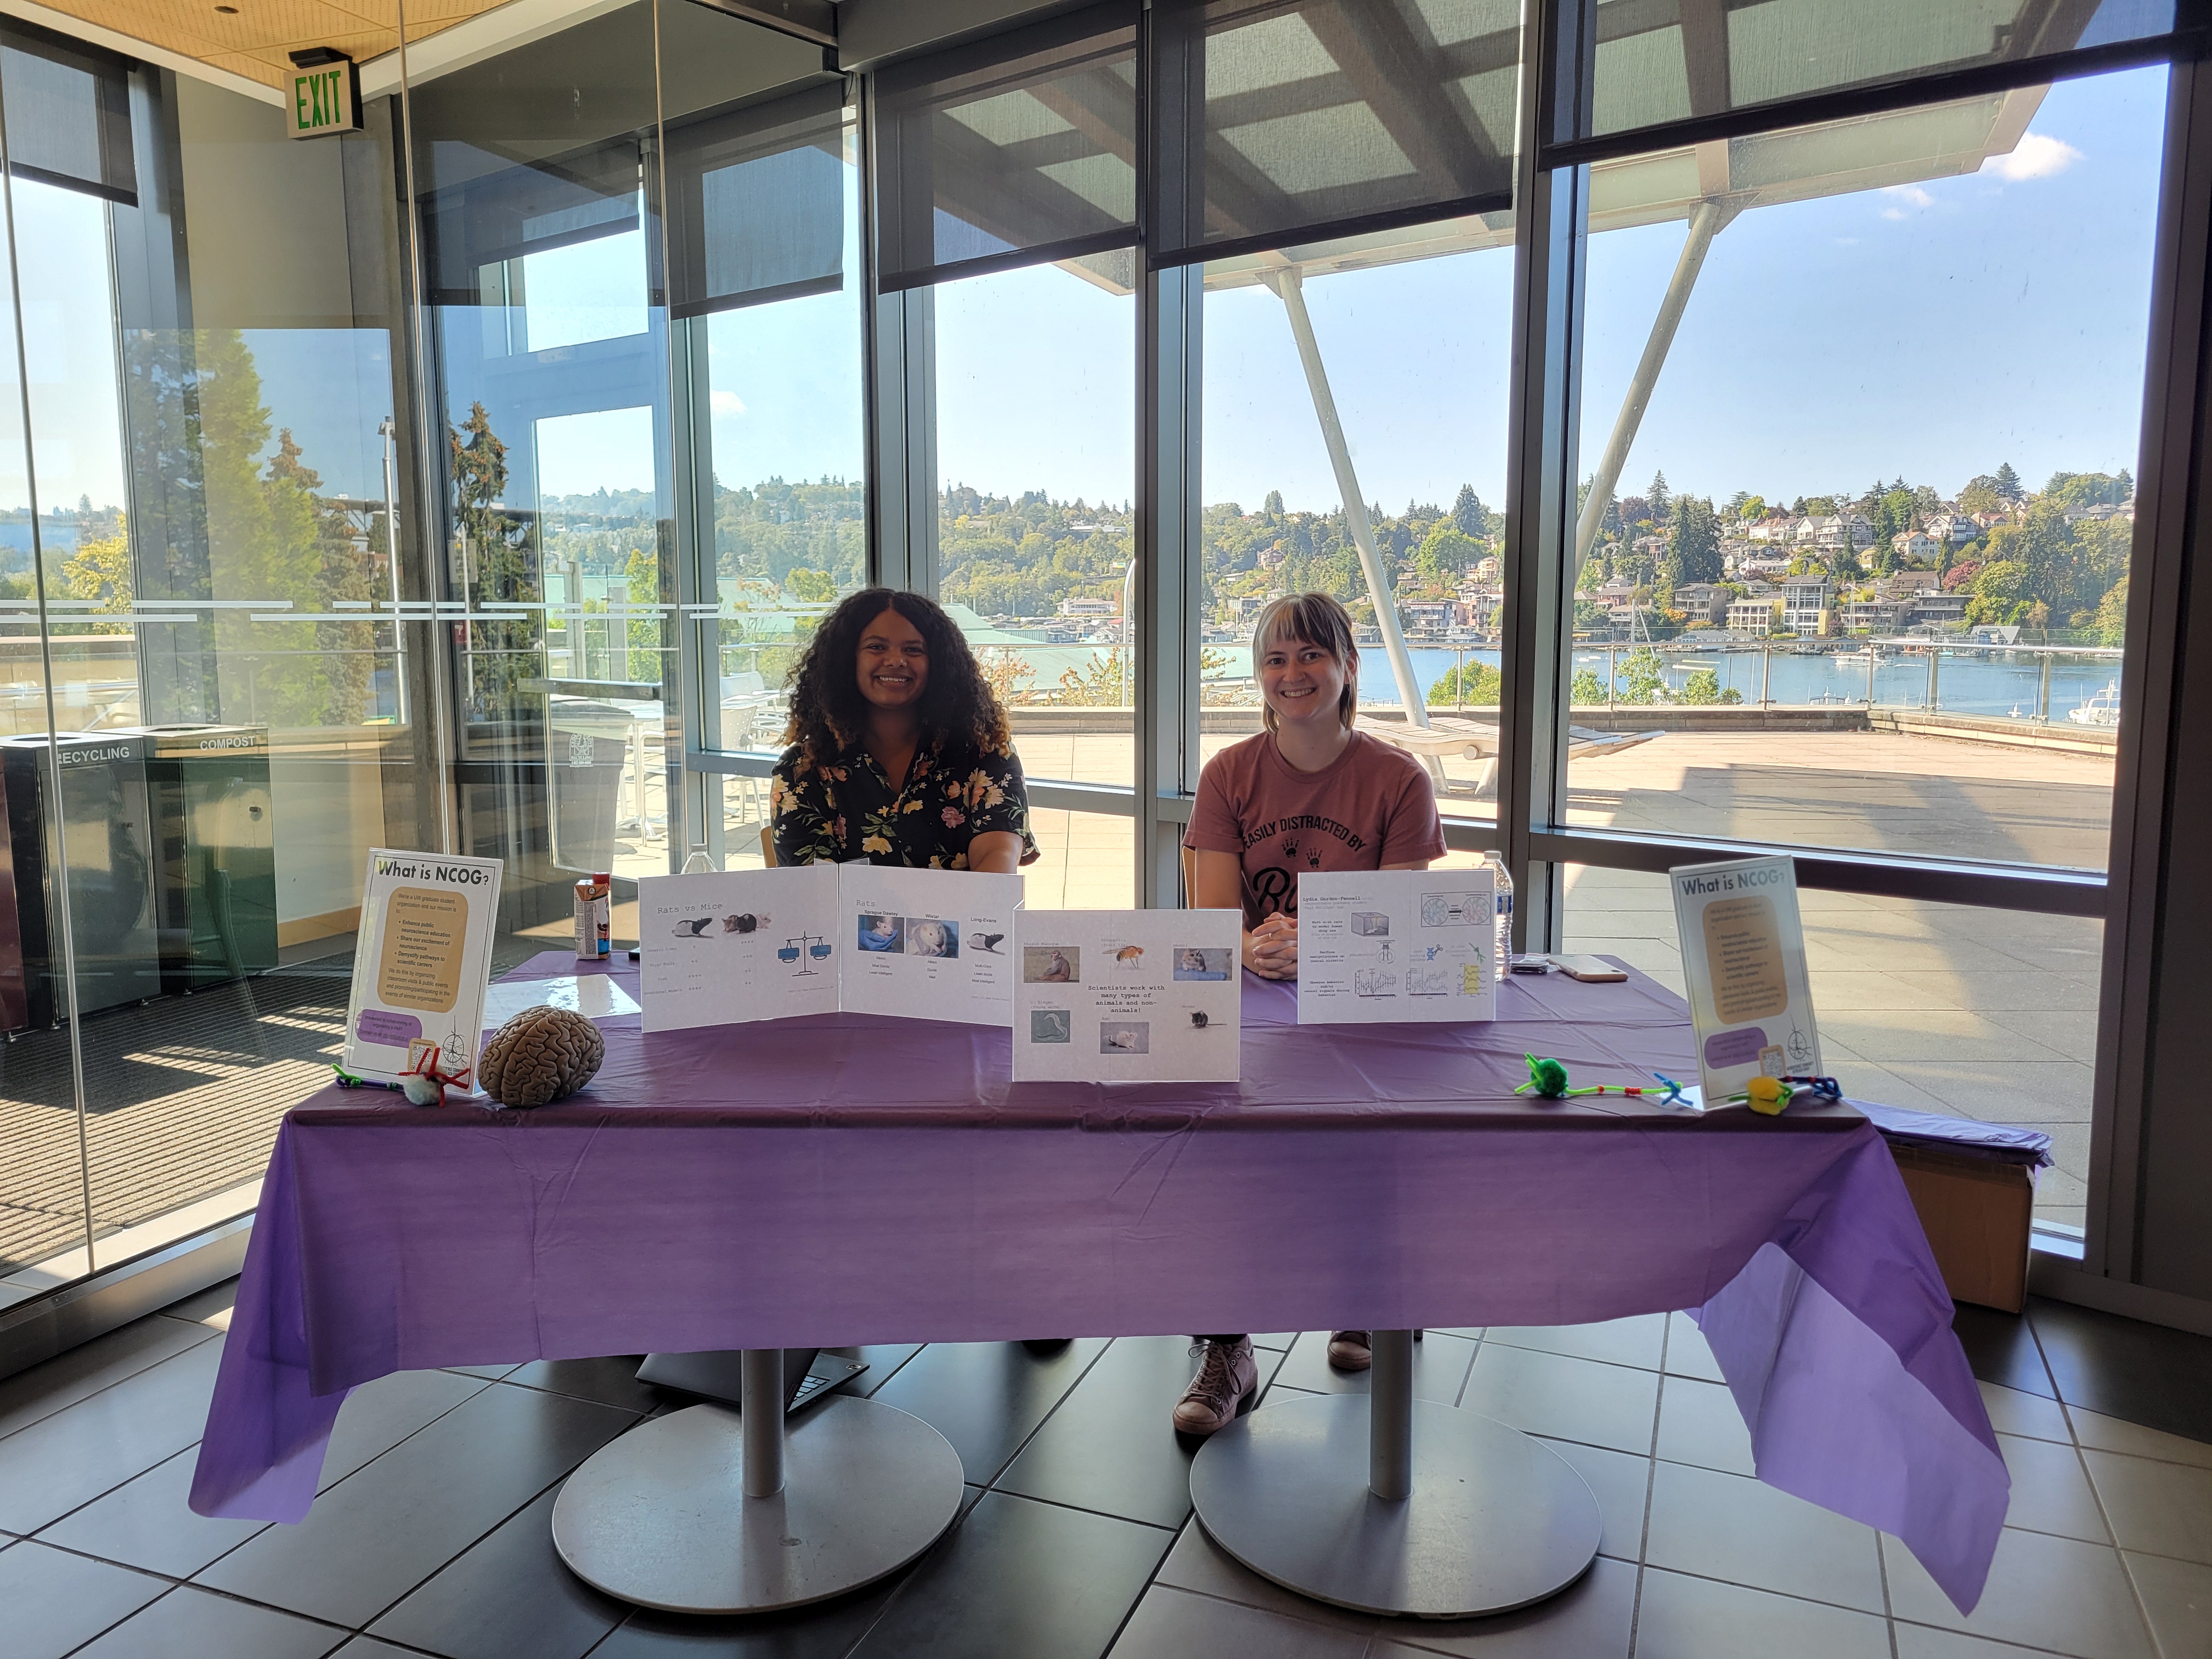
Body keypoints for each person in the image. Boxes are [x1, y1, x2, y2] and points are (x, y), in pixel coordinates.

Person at [1171, 592, 1446, 1435]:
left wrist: (1317, 944)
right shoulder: (1229, 774)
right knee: (1223, 1153)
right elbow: (1212, 920)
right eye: (1275, 659)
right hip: (1251, 1003)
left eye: (1311, 656)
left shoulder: (1399, 780)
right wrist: (1252, 947)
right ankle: (1228, 1345)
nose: (1293, 674)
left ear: (1349, 667)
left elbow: (1400, 923)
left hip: (1361, 1006)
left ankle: (1366, 1295)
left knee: (1371, 1139)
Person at [771, 588, 1038, 873]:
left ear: (939, 663)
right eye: (876, 647)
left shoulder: (986, 753)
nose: (896, 660)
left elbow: (997, 861)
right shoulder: (802, 770)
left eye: (914, 650)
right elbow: (811, 888)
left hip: (972, 905)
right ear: (847, 659)